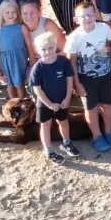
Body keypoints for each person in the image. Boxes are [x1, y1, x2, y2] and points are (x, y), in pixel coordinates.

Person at [66, 2, 111, 153]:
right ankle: (97, 136)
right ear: (76, 20)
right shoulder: (74, 37)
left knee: (107, 104)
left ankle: (108, 131)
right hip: (86, 79)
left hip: (105, 74)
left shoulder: (104, 28)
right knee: (91, 108)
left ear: (96, 14)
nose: (88, 18)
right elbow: (71, 62)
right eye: (83, 16)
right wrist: (77, 84)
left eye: (90, 14)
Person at [27, 32, 80, 165]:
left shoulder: (64, 62)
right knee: (45, 125)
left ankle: (66, 143)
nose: (47, 52)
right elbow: (37, 89)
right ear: (38, 50)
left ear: (55, 46)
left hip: (63, 100)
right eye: (43, 49)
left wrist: (68, 97)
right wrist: (49, 104)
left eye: (50, 48)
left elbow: (69, 80)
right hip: (45, 103)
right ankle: (49, 150)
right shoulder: (37, 68)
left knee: (64, 121)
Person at [0, 0, 33, 99]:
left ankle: (22, 102)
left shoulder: (21, 27)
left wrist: (32, 59)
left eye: (13, 12)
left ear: (17, 12)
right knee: (9, 83)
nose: (10, 15)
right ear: (2, 14)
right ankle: (13, 103)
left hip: (19, 59)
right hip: (5, 61)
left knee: (19, 83)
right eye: (7, 12)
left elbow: (29, 44)